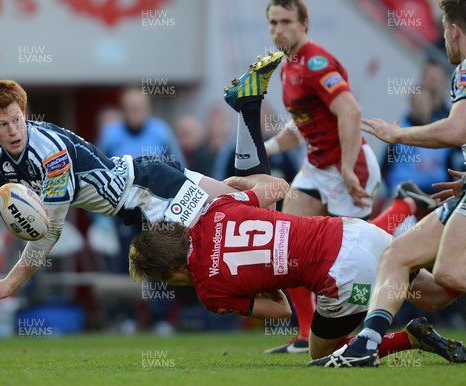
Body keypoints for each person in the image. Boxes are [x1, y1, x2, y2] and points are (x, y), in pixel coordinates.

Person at [0, 66, 283, 305]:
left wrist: (10, 283)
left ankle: (248, 108)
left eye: (17, 119)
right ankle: (247, 106)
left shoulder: (51, 153)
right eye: (3, 124)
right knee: (249, 212)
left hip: (148, 192)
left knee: (210, 254)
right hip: (145, 185)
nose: (14, 130)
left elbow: (50, 230)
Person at [128, 175, 465, 363]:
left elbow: (280, 309)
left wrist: (262, 278)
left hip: (343, 276)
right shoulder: (216, 210)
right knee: (437, 294)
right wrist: (246, 183)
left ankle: (406, 338)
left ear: (170, 274)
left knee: (324, 354)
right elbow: (279, 188)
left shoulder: (210, 293)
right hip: (353, 230)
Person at [257, 0, 436, 353]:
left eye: (286, 22)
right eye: (273, 23)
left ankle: (405, 205)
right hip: (318, 169)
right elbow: (304, 123)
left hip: (348, 170)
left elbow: (350, 111)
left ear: (304, 23)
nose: (279, 30)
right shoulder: (288, 66)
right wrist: (267, 149)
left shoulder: (315, 62)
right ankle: (307, 332)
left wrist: (346, 168)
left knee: (358, 255)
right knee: (284, 243)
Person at [310, 0, 466, 367]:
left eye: (444, 31)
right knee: (398, 256)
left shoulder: (462, 71)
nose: (444, 39)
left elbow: (457, 129)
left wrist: (397, 134)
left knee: (447, 271)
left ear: (454, 31)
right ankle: (366, 346)